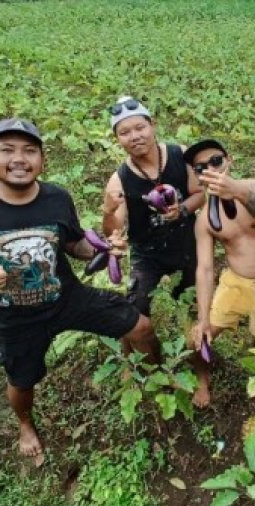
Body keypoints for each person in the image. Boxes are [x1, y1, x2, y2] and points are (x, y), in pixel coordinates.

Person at [0, 118, 158, 460]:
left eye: (29, 151)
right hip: (13, 318)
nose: (19, 159)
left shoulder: (56, 197)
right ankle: (25, 423)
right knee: (22, 381)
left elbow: (74, 244)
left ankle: (153, 381)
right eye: (7, 150)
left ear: (42, 160)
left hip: (68, 298)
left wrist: (101, 248)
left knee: (142, 326)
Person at [183, 139, 255, 408]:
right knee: (201, 336)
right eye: (201, 167)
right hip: (236, 283)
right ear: (196, 176)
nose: (211, 169)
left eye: (216, 161)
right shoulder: (206, 218)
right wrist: (203, 316)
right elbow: (205, 268)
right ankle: (202, 380)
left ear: (229, 160)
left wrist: (235, 191)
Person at [101, 97, 204, 346]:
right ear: (117, 139)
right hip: (147, 253)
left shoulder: (180, 153)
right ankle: (136, 357)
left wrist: (183, 210)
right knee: (136, 308)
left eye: (140, 127)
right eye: (124, 132)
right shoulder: (120, 179)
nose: (134, 136)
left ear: (153, 125)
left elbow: (200, 193)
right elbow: (114, 230)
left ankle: (198, 349)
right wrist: (108, 211)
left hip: (187, 244)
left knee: (194, 303)